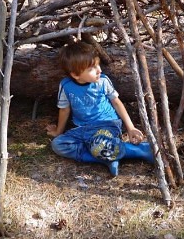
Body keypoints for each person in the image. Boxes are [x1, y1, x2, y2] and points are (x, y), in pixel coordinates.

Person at [46, 41, 154, 176]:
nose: (99, 70)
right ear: (75, 74)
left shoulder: (103, 81)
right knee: (58, 145)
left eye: (98, 64)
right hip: (82, 129)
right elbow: (64, 110)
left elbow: (117, 103)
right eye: (92, 68)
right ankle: (104, 158)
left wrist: (130, 127)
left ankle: (139, 150)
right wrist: (58, 132)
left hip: (107, 125)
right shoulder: (66, 86)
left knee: (99, 144)